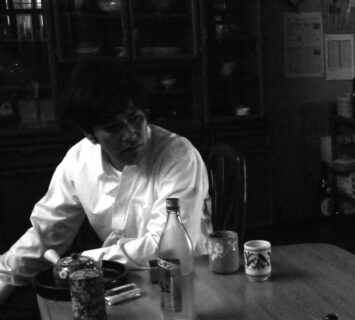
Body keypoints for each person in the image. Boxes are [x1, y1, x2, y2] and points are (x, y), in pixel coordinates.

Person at [0, 60, 213, 307]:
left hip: (191, 282)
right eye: (113, 128)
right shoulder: (79, 160)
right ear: (89, 134)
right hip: (124, 284)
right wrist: (5, 274)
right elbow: (47, 232)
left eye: (135, 119)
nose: (131, 135)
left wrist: (87, 262)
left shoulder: (178, 156)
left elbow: (167, 247)